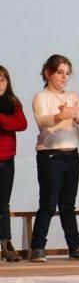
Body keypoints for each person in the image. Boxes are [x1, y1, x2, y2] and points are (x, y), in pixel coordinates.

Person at [30, 54, 79, 262]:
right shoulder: (41, 96)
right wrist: (60, 116)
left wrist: (74, 114)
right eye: (59, 72)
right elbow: (42, 120)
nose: (64, 77)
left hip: (72, 155)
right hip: (50, 155)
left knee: (68, 204)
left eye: (67, 73)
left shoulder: (73, 95)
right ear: (48, 73)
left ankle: (75, 247)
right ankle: (38, 247)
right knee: (48, 203)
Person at [0, 65, 26, 261]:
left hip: (5, 160)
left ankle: (6, 243)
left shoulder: (12, 103)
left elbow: (20, 124)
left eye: (2, 80)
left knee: (3, 203)